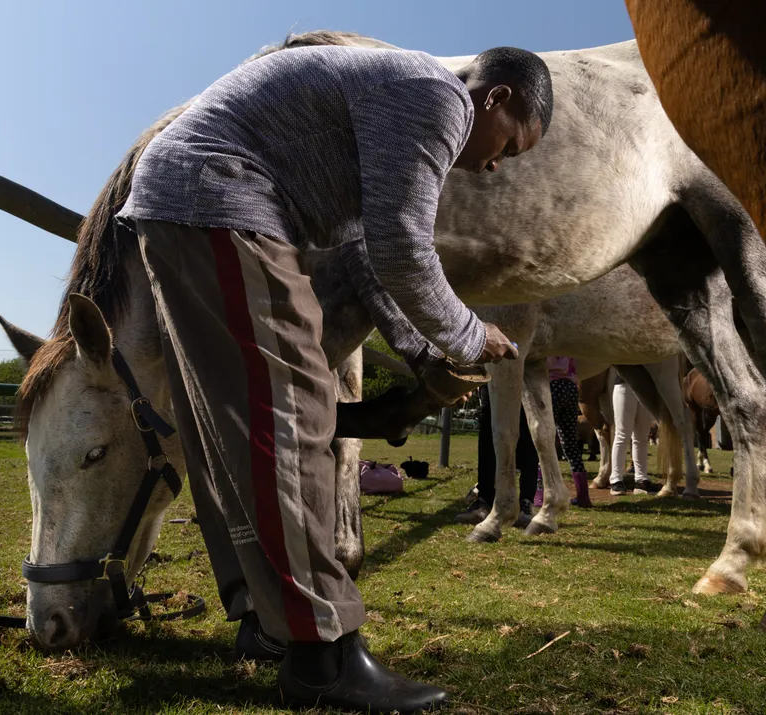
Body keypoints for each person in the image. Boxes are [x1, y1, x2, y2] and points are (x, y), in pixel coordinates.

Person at [118, 41, 553, 714]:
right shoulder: (436, 98)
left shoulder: (393, 104)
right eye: (509, 145)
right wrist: (470, 334)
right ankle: (323, 653)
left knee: (229, 419)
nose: (494, 165)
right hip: (221, 196)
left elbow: (366, 250)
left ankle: (265, 618)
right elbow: (404, 248)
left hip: (184, 199)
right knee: (289, 413)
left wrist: (423, 356)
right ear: (495, 98)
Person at [455, 384, 539, 526]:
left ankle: (525, 502)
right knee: (487, 421)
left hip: (525, 375)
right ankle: (485, 501)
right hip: (491, 374)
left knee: (526, 426)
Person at [546, 356, 592, 508]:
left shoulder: (548, 342)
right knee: (570, 443)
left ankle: (542, 494)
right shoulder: (567, 347)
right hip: (570, 387)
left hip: (552, 385)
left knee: (544, 441)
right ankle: (583, 495)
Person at [608, 372, 661, 496]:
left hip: (646, 387)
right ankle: (616, 480)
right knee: (622, 435)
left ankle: (641, 480)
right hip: (624, 384)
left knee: (642, 437)